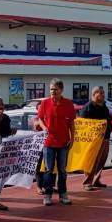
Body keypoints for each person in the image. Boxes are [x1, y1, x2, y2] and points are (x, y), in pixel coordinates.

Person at [34, 78, 75, 206]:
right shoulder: (45, 103)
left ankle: (63, 195)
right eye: (51, 89)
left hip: (63, 142)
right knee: (48, 170)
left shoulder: (68, 104)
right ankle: (47, 195)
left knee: (62, 170)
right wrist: (44, 127)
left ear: (61, 90)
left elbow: (71, 123)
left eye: (55, 89)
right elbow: (39, 118)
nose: (53, 92)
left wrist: (72, 138)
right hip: (48, 143)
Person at [80, 86, 112, 191]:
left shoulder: (104, 107)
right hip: (93, 140)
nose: (103, 95)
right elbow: (82, 123)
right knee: (92, 161)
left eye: (103, 93)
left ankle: (96, 180)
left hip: (105, 138)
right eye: (100, 93)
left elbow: (108, 121)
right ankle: (87, 183)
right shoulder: (88, 107)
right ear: (94, 94)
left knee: (101, 161)